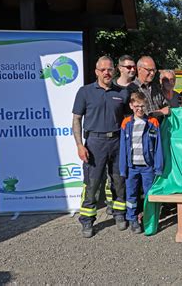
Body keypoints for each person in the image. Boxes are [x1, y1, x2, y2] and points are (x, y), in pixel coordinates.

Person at [72, 56, 129, 238]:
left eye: (110, 69)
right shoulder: (85, 92)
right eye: (103, 69)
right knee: (92, 183)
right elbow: (76, 120)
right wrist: (80, 145)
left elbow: (129, 119)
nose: (106, 72)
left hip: (117, 141)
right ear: (96, 72)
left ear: (114, 71)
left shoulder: (121, 93)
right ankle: (87, 220)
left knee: (119, 181)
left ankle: (119, 214)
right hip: (94, 142)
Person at [119, 92, 164, 234]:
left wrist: (158, 167)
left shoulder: (153, 122)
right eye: (137, 106)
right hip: (132, 167)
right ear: (131, 106)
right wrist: (123, 168)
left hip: (148, 167)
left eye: (143, 106)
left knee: (149, 194)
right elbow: (122, 147)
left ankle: (148, 219)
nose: (140, 109)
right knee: (131, 194)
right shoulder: (126, 123)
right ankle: (132, 219)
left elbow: (158, 147)